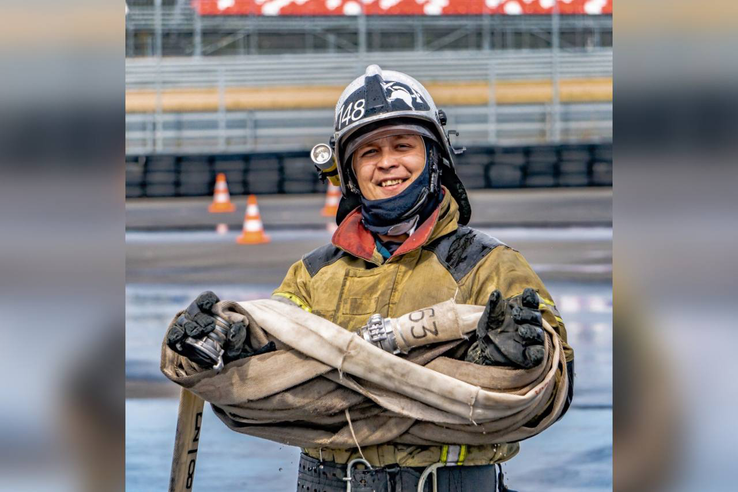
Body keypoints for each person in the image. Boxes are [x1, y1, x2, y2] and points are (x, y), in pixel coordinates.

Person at [167, 65, 574, 491]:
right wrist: (223, 339)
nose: (387, 164)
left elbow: (553, 383)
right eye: (369, 152)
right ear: (349, 174)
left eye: (403, 145)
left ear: (434, 156)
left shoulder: (489, 265)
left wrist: (510, 360)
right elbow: (276, 353)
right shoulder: (312, 275)